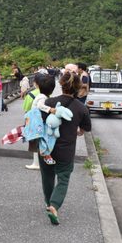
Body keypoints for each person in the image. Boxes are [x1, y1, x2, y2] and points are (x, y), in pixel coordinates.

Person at [39, 71, 91, 225]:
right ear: (77, 88)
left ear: (61, 85)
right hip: (66, 151)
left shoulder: (49, 103)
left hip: (47, 149)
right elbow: (85, 128)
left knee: (47, 177)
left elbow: (39, 122)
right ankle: (54, 206)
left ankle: (49, 203)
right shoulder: (81, 108)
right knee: (63, 178)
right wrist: (79, 131)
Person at [31, 75, 57, 165]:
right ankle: (46, 154)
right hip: (37, 121)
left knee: (43, 137)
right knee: (45, 136)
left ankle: (46, 154)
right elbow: (40, 106)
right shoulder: (42, 97)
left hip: (35, 120)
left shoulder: (40, 95)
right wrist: (50, 109)